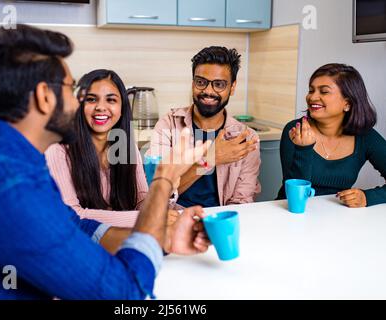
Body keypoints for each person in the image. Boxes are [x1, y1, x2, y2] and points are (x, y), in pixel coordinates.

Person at [0, 25, 212, 300]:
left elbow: (77, 227)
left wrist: (161, 238)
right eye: (72, 89)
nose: (77, 102)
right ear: (45, 97)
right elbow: (125, 293)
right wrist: (164, 178)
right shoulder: (11, 188)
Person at [149, 46, 261, 208]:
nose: (208, 91)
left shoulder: (247, 138)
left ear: (233, 87)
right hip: (174, 217)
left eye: (219, 84)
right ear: (193, 82)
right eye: (201, 82)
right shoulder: (168, 125)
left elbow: (241, 202)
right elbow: (159, 193)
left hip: (219, 220)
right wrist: (211, 158)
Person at [45, 69, 148, 228]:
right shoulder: (58, 150)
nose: (101, 107)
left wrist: (166, 191)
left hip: (119, 239)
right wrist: (147, 219)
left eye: (111, 100)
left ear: (122, 108)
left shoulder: (127, 147)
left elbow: (141, 200)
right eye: (91, 99)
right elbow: (72, 216)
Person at [277, 63, 386, 207]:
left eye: (324, 91)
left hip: (337, 217)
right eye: (311, 90)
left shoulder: (366, 137)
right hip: (292, 212)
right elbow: (295, 195)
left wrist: (367, 197)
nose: (312, 97)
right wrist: (303, 149)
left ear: (347, 103)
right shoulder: (296, 130)